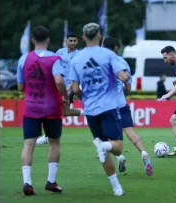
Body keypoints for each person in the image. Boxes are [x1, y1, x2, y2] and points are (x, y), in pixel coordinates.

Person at [68, 23, 130, 196]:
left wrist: (86, 99)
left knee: (104, 152)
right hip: (109, 106)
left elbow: (75, 89)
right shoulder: (108, 54)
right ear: (99, 36)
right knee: (117, 147)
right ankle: (102, 145)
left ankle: (116, 187)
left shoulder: (76, 60)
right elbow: (123, 77)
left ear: (83, 37)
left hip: (90, 111)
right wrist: (127, 76)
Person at [16, 26, 69, 196]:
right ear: (48, 39)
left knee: (28, 145)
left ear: (32, 40)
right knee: (54, 143)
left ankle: (27, 182)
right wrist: (66, 96)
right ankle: (51, 182)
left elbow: (20, 87)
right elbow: (59, 81)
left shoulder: (24, 59)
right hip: (52, 108)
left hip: (31, 107)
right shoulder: (55, 58)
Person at [102, 36, 153, 176]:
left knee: (107, 137)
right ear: (116, 48)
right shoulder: (122, 62)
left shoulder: (100, 62)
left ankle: (120, 157)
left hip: (107, 107)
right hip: (122, 105)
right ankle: (144, 153)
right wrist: (120, 92)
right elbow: (128, 88)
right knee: (131, 134)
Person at [36, 32, 84, 145]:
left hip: (69, 87)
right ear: (66, 41)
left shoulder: (80, 55)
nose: (72, 42)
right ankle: (87, 112)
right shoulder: (59, 52)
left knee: (54, 110)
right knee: (64, 112)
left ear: (77, 41)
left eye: (74, 40)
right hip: (57, 86)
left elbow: (79, 74)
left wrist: (69, 88)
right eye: (70, 40)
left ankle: (46, 136)